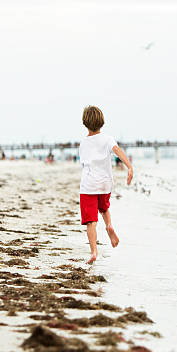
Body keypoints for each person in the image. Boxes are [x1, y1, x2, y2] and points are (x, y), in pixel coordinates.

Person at [79, 106, 133, 264]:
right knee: (104, 208)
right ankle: (109, 225)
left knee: (91, 221)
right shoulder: (108, 139)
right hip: (105, 184)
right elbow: (117, 150)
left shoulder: (83, 143)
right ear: (102, 122)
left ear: (85, 123)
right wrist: (129, 166)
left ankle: (94, 252)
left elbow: (83, 164)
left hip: (88, 185)